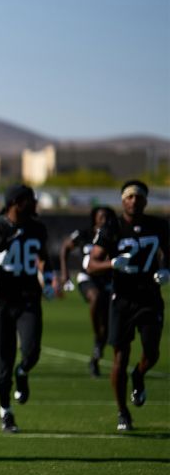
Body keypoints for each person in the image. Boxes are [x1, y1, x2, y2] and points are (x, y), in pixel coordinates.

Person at [85, 180, 168, 431]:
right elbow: (91, 264)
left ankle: (139, 375)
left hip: (150, 297)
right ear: (123, 200)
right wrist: (111, 264)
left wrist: (166, 271)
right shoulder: (112, 227)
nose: (134, 201)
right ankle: (123, 411)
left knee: (152, 353)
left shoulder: (159, 225)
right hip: (122, 299)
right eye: (129, 197)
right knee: (120, 357)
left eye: (139, 197)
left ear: (145, 200)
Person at [0, 184, 50, 434]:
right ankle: (6, 411)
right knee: (2, 364)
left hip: (29, 298)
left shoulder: (37, 229)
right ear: (16, 202)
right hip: (3, 300)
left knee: (32, 351)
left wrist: (48, 278)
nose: (35, 203)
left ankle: (23, 371)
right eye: (30, 200)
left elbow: (43, 257)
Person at [59, 206, 119, 377]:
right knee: (95, 297)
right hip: (88, 278)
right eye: (100, 216)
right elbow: (65, 247)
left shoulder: (113, 235)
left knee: (106, 327)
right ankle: (96, 334)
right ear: (94, 218)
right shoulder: (84, 234)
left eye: (107, 216)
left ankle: (95, 357)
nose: (104, 220)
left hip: (108, 280)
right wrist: (64, 274)